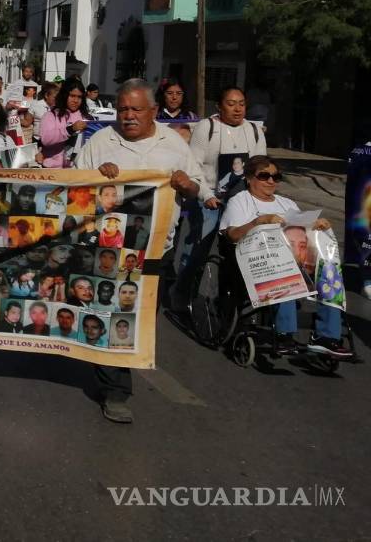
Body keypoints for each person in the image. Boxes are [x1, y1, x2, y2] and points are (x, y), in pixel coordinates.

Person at [76, 78, 206, 425]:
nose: (128, 116)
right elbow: (74, 188)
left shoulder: (174, 144)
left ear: (153, 111)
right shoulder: (100, 141)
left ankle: (115, 365)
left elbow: (198, 187)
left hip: (155, 251)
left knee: (141, 317)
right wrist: (95, 176)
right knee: (110, 311)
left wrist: (187, 185)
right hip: (109, 249)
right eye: (122, 109)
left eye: (135, 109)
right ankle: (115, 391)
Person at [219, 155, 349, 358]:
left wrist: (318, 225)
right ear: (249, 178)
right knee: (285, 268)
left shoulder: (286, 203)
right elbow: (232, 234)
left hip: (293, 257)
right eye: (264, 176)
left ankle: (326, 337)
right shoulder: (240, 201)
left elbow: (301, 230)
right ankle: (284, 333)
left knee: (329, 274)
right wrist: (258, 222)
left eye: (276, 176)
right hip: (258, 261)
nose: (271, 181)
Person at [181, 86, 268, 281]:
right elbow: (192, 167)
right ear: (219, 106)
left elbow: (261, 169)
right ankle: (183, 295)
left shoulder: (255, 131)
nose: (237, 109)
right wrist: (207, 195)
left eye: (241, 104)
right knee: (197, 250)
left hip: (241, 201)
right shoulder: (207, 127)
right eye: (231, 104)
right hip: (209, 199)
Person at [38, 78, 88, 168]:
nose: (76, 100)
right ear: (64, 95)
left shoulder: (87, 117)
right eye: (72, 96)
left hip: (78, 170)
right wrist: (69, 130)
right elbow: (45, 139)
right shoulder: (51, 115)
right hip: (53, 170)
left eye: (79, 97)